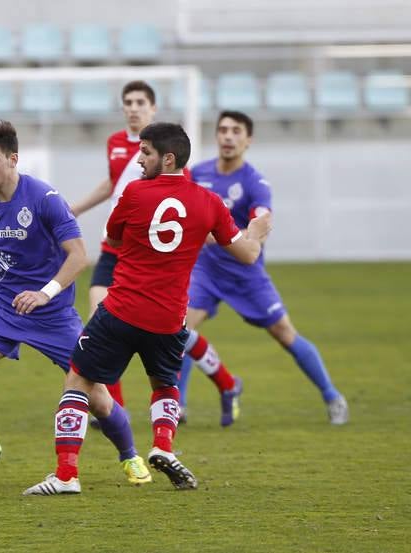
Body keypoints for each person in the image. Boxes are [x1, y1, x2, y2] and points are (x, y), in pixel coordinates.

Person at [23, 122, 271, 495]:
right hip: (170, 319)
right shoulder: (209, 203)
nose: (139, 159)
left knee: (78, 380)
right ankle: (163, 447)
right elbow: (249, 254)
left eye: (146, 153)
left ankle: (66, 474)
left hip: (122, 309)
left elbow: (115, 238)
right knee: (165, 385)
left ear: (167, 158)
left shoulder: (135, 194)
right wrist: (256, 230)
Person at [0, 119, 152, 488]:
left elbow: (79, 256)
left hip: (52, 314)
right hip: (0, 309)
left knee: (99, 400)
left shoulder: (45, 199)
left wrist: (45, 293)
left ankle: (129, 456)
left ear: (13, 159)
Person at [176, 111, 349, 426]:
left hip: (246, 273)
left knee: (285, 334)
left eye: (236, 131)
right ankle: (179, 404)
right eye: (223, 130)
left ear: (248, 140)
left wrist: (222, 237)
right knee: (179, 330)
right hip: (206, 270)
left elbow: (262, 224)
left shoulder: (255, 183)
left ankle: (332, 396)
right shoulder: (197, 174)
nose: (228, 136)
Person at [70, 80, 164, 411]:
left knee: (164, 329)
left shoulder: (164, 144)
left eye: (141, 102)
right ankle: (114, 408)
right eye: (129, 102)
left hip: (147, 253)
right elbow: (114, 182)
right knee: (99, 317)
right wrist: (77, 208)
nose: (134, 108)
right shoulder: (115, 143)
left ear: (153, 108)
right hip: (114, 247)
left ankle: (220, 381)